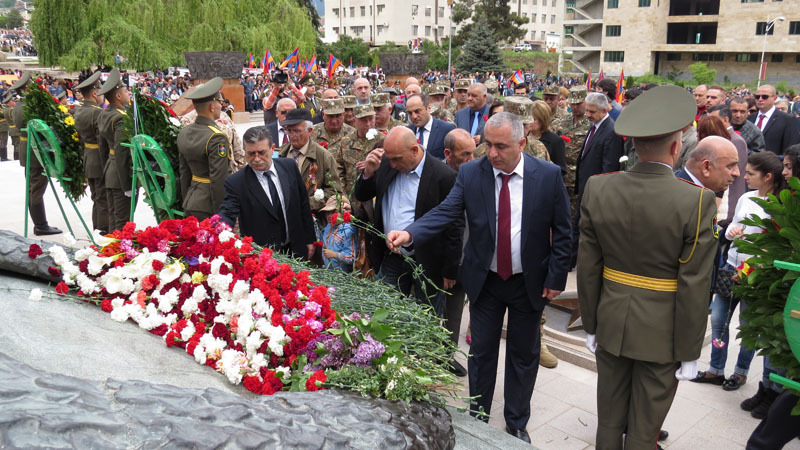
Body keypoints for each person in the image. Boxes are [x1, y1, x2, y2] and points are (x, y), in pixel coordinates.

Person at [386, 112, 571, 443]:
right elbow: (447, 211)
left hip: (528, 281)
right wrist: (411, 233)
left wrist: (556, 276)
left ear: (522, 143)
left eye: (502, 146)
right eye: (488, 144)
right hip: (486, 280)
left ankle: (516, 420)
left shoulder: (547, 175)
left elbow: (563, 230)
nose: (493, 153)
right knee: (481, 351)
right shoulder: (473, 173)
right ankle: (479, 414)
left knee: (523, 354)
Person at [578, 85, 719, 450]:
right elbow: (694, 283)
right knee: (644, 430)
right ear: (677, 148)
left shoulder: (597, 188)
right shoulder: (698, 201)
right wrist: (689, 350)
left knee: (608, 420)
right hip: (662, 333)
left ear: (633, 145)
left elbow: (589, 266)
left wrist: (591, 324)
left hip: (609, 322)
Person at [353, 127, 462, 312]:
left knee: (427, 319)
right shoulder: (387, 164)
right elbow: (363, 194)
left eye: (397, 159)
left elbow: (454, 225)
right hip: (392, 257)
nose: (393, 164)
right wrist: (369, 173)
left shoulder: (443, 175)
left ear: (414, 150)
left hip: (428, 262)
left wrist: (449, 269)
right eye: (390, 158)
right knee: (386, 316)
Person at [218, 126, 316, 259]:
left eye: (261, 152)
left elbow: (303, 204)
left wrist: (310, 239)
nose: (257, 159)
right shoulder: (236, 183)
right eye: (251, 154)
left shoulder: (289, 167)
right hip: (263, 257)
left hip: (296, 248)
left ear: (272, 148)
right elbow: (228, 211)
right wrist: (219, 229)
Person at [573, 92, 624, 267]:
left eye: (592, 112)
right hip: (586, 188)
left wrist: (598, 195)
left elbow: (608, 168)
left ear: (604, 110)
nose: (587, 115)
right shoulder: (595, 126)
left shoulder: (611, 131)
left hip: (596, 194)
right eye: (587, 111)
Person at [441, 128, 476, 377]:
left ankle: (447, 355)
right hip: (441, 259)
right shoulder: (437, 176)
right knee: (438, 310)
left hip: (469, 257)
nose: (472, 160)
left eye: (473, 153)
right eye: (466, 154)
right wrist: (448, 265)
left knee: (456, 310)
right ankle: (433, 356)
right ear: (448, 154)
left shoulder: (475, 175)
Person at [13, 72, 62, 235]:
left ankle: (40, 223)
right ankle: (40, 225)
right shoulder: (31, 106)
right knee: (36, 189)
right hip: (35, 151)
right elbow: (42, 129)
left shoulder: (19, 105)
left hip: (27, 149)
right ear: (28, 88)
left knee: (32, 188)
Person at [177, 77, 231, 220]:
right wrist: (221, 214)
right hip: (208, 207)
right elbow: (218, 180)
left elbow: (184, 173)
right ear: (211, 107)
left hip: (191, 200)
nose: (221, 106)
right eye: (219, 102)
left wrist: (186, 199)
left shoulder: (184, 132)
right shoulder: (217, 137)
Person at [278, 108, 341, 214]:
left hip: (312, 217)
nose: (292, 135)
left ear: (309, 131)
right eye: (289, 131)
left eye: (297, 131)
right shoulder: (281, 154)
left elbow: (334, 192)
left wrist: (306, 203)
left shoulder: (323, 156)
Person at [97, 68, 135, 232]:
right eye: (126, 91)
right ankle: (118, 254)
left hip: (110, 170)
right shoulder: (121, 117)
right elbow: (122, 152)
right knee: (122, 222)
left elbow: (102, 149)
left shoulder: (104, 114)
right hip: (121, 174)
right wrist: (127, 185)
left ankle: (111, 252)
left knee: (113, 217)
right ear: (118, 96)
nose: (129, 94)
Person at [73, 71, 109, 233]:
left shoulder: (80, 110)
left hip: (88, 157)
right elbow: (103, 141)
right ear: (95, 93)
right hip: (99, 159)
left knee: (97, 198)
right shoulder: (97, 112)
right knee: (103, 200)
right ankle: (102, 232)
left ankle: (98, 230)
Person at [748, 84, 799, 154]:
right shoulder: (750, 118)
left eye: (764, 97)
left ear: (775, 98)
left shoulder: (788, 120)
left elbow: (790, 150)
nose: (760, 99)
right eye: (757, 97)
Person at [406, 93, 456, 160]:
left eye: (417, 111)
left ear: (429, 108)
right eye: (410, 113)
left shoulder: (447, 129)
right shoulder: (407, 132)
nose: (414, 116)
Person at [317, 195, 357, 271]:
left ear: (344, 212)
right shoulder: (328, 227)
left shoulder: (348, 231)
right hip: (328, 271)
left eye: (334, 212)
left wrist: (335, 255)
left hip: (342, 275)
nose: (329, 215)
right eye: (327, 212)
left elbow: (351, 257)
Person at [529, 99, 566, 173]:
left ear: (543, 120)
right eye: (529, 118)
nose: (531, 122)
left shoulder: (555, 141)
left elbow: (561, 169)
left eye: (534, 119)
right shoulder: (523, 137)